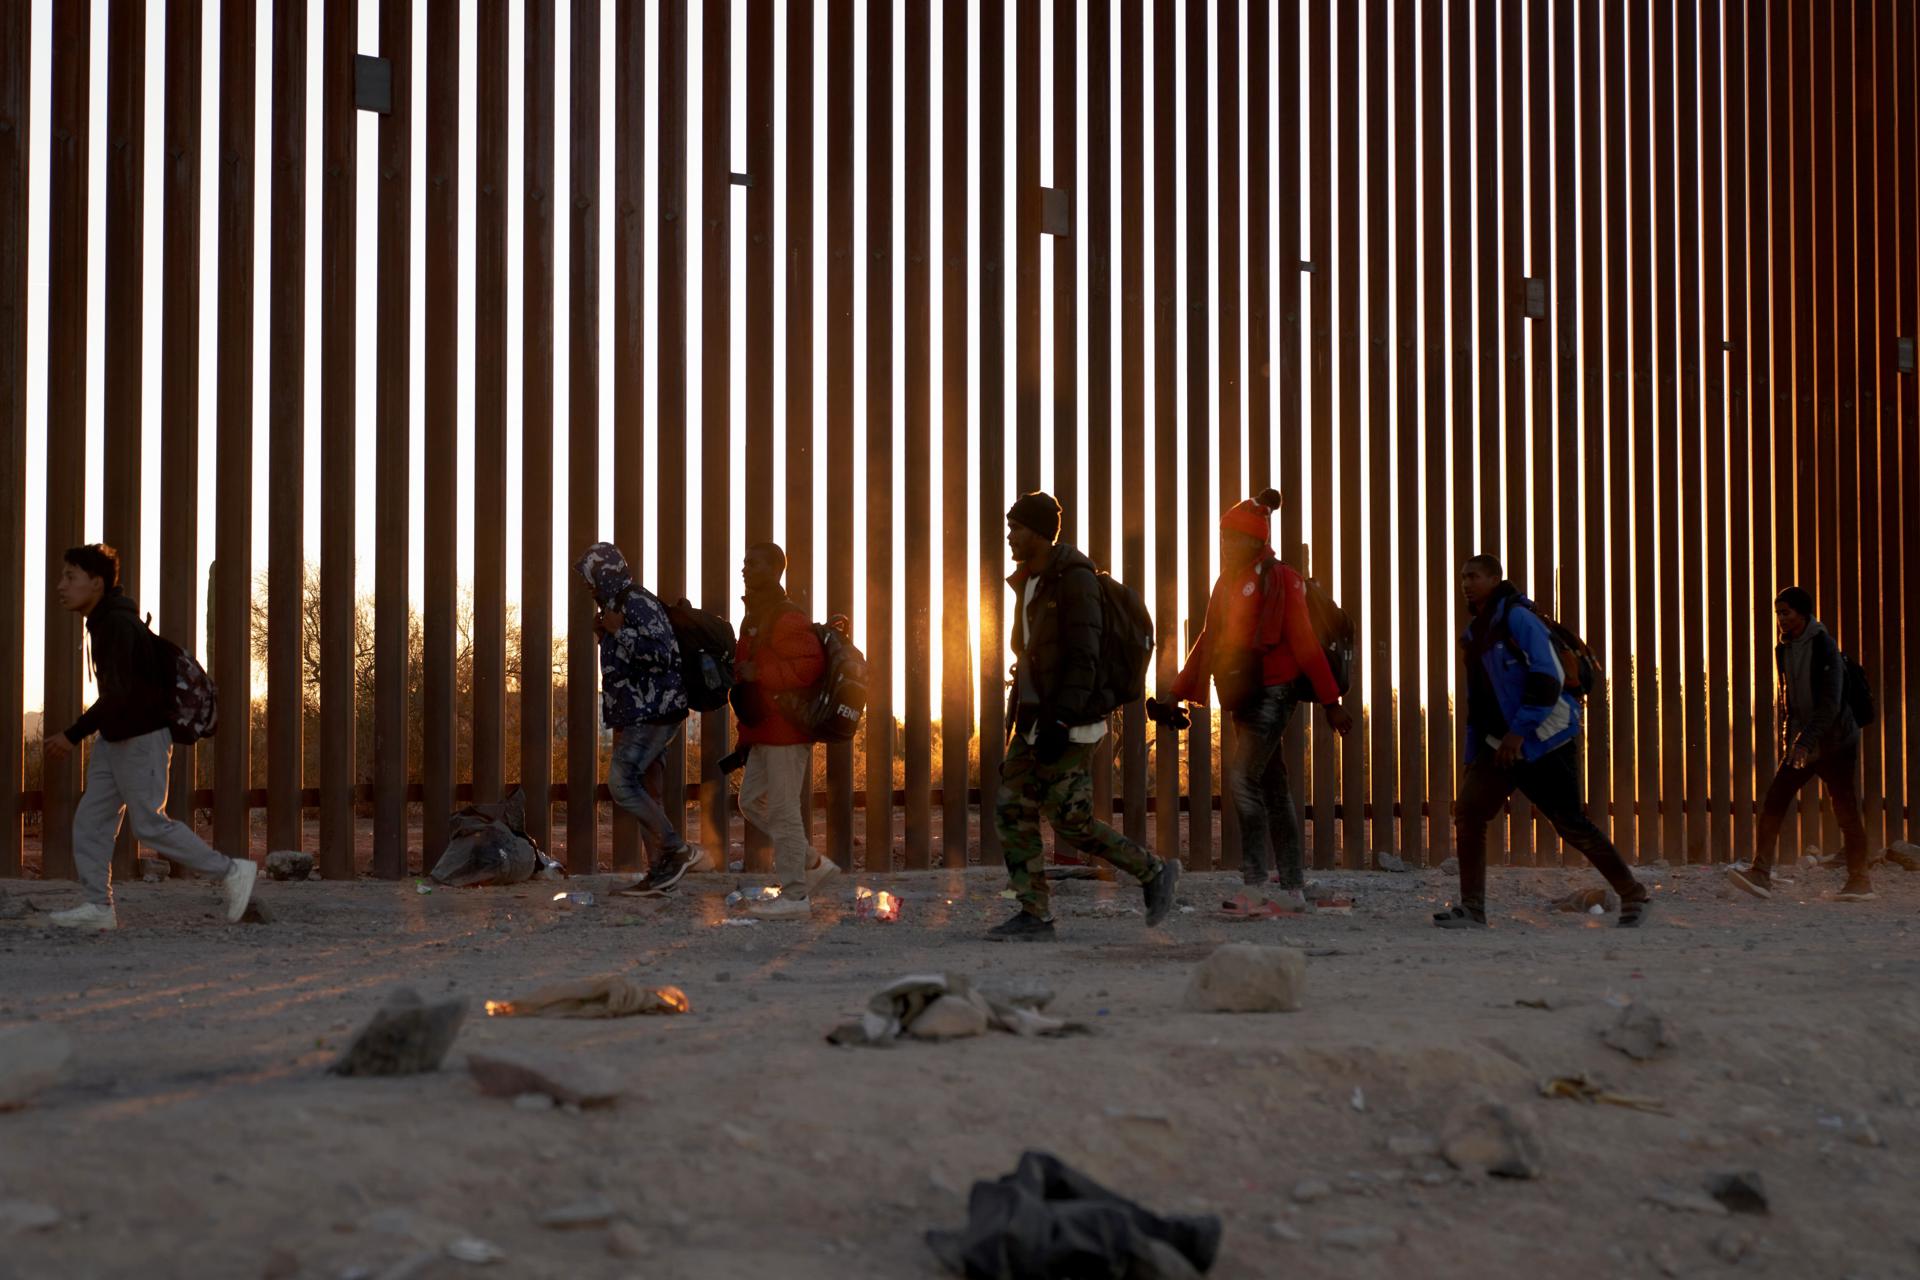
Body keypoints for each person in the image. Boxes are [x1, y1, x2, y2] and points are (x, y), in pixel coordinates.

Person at [989, 491, 1181, 941]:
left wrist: (1062, 720)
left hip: (1069, 722)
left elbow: (1085, 655)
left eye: (1016, 528)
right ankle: (1034, 914)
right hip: (1037, 719)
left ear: (1038, 531)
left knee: (1071, 821)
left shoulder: (1075, 580)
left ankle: (1154, 872)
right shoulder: (1032, 581)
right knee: (1011, 807)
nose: (1010, 537)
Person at [41, 544, 257, 931]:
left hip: (140, 739)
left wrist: (72, 735)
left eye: (69, 577)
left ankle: (231, 871)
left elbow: (121, 694)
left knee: (149, 824)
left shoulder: (118, 627)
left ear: (96, 582)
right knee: (91, 821)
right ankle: (97, 907)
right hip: (116, 739)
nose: (61, 586)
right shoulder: (105, 623)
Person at [1163, 489, 1354, 912]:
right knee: (1272, 786)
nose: (1226, 545)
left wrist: (1331, 701)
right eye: (1223, 537)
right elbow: (1209, 642)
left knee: (1242, 778)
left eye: (1233, 538)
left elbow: (1305, 642)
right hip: (1240, 690)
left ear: (1255, 539)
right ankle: (1292, 890)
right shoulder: (1225, 583)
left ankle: (1255, 886)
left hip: (1274, 690)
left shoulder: (1281, 577)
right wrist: (1176, 693)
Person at [1440, 554, 1650, 929]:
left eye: (1473, 576)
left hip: (1543, 739)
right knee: (1469, 813)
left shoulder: (1518, 619)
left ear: (1495, 578)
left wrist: (1518, 733)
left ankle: (1633, 893)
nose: (1466, 583)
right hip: (1499, 743)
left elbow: (1548, 678)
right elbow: (1481, 701)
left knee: (1571, 824)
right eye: (1462, 578)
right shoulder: (1478, 631)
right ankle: (1472, 910)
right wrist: (1479, 752)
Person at [1728, 587, 1875, 902]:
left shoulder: (1825, 647)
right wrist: (1791, 742)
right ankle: (1760, 874)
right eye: (1778, 613)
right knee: (1775, 801)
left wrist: (1804, 742)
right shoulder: (1784, 649)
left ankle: (1860, 881)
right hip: (1804, 743)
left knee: (1846, 809)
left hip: (1836, 742)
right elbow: (1790, 703)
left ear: (1803, 614)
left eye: (1786, 612)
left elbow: (1830, 705)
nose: (1780, 619)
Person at [574, 542, 700, 895]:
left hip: (655, 712)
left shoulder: (637, 602)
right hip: (639, 713)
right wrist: (607, 637)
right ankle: (662, 871)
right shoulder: (618, 606)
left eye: (591, 579)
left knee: (622, 782)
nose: (589, 588)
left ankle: (676, 849)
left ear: (606, 574)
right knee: (645, 790)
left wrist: (619, 633)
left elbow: (663, 655)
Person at [728, 542, 837, 921]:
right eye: (744, 563)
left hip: (788, 731)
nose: (745, 568)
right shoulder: (755, 616)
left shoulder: (786, 616)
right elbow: (748, 686)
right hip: (764, 730)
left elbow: (811, 667)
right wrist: (745, 737)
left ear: (775, 569)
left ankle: (795, 896)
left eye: (753, 562)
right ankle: (813, 864)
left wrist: (762, 674)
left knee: (783, 809)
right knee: (751, 801)